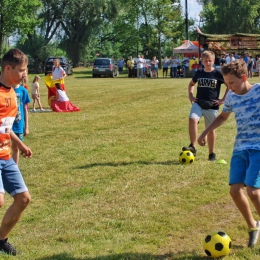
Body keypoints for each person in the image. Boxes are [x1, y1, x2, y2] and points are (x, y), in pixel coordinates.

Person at [198, 60, 260, 247]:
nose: (229, 87)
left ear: (244, 77)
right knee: (235, 191)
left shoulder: (258, 92)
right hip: (240, 148)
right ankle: (253, 226)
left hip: (258, 147)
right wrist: (205, 132)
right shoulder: (231, 97)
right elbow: (223, 117)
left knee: (253, 191)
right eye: (226, 83)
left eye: (232, 83)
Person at [0, 48, 32, 255]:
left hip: (5, 156)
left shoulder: (13, 92)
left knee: (23, 199)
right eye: (21, 70)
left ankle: (1, 240)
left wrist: (19, 144)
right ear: (8, 68)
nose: (25, 74)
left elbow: (5, 126)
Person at [182, 50, 228, 161]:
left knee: (210, 129)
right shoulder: (199, 73)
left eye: (210, 61)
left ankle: (211, 153)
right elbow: (191, 84)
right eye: (205, 61)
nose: (208, 63)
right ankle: (193, 146)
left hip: (212, 105)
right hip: (199, 103)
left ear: (213, 61)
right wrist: (191, 96)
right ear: (202, 61)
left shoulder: (218, 73)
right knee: (192, 119)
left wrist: (223, 99)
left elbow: (229, 86)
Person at [11, 83, 30, 165]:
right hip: (7, 125)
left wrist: (26, 127)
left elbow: (25, 110)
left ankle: (15, 168)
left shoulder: (23, 90)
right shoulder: (5, 89)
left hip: (18, 124)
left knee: (15, 148)